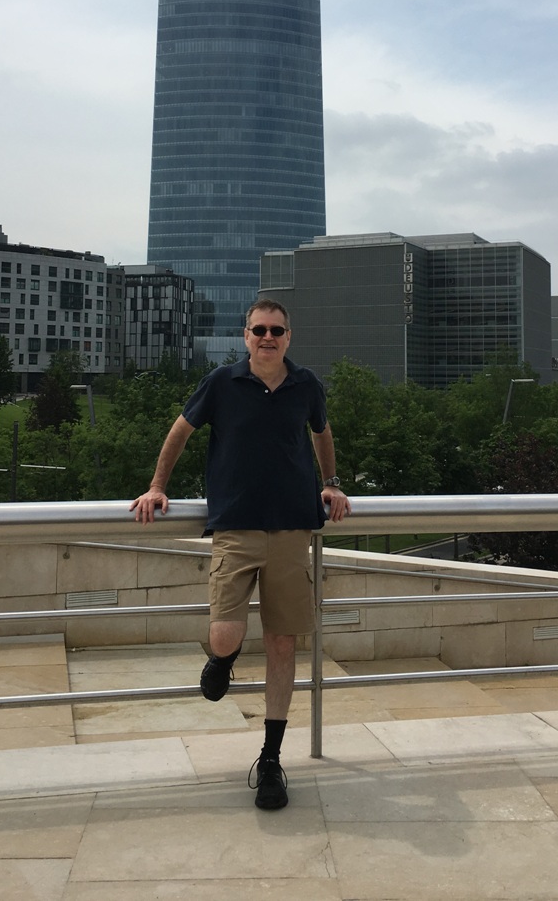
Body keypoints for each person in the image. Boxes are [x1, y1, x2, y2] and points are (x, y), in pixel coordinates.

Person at [131, 298, 350, 810]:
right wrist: (157, 487)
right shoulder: (221, 382)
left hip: (293, 529)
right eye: (259, 330)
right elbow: (180, 431)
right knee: (224, 632)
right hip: (234, 527)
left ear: (289, 337)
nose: (267, 337)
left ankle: (270, 760)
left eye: (276, 330)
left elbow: (321, 433)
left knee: (282, 644)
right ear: (245, 335)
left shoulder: (306, 385)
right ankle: (222, 660)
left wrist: (333, 482)